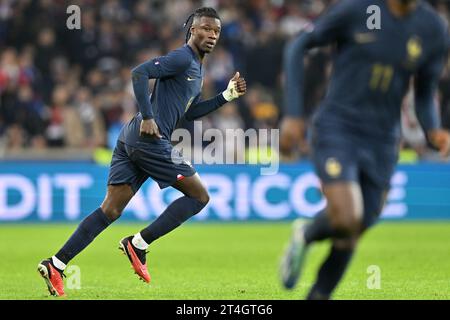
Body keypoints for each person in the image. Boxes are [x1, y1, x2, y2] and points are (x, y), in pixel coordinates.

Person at [37, 7, 247, 297]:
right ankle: (138, 244)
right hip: (149, 137)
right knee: (200, 196)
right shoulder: (182, 57)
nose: (211, 35)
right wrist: (148, 116)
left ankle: (56, 263)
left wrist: (226, 96)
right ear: (192, 30)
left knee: (109, 210)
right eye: (205, 29)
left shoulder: (197, 70)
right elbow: (140, 72)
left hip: (132, 137)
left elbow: (189, 113)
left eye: (216, 31)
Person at [279, 0, 450, 300]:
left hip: (383, 140)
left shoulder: (433, 29)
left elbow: (424, 92)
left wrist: (433, 128)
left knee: (354, 228)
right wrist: (293, 114)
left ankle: (315, 282)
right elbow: (298, 46)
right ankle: (306, 235)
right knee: (347, 217)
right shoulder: (357, 10)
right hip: (338, 127)